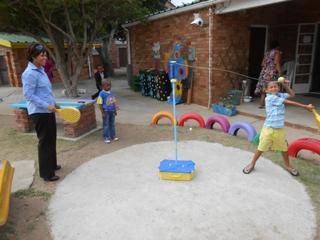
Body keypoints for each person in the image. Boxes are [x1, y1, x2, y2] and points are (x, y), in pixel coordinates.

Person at [243, 80, 314, 176]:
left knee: (284, 149)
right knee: (261, 147)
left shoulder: (280, 95)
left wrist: (285, 85)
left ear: (278, 88)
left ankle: (288, 165)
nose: (273, 88)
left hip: (279, 129)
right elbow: (288, 101)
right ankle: (252, 163)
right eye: (271, 87)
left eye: (275, 86)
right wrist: (305, 106)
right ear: (266, 90)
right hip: (269, 128)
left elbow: (292, 94)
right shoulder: (270, 98)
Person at [22, 43, 61, 182]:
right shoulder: (29, 74)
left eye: (45, 55)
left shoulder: (41, 69)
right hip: (39, 112)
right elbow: (29, 95)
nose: (45, 57)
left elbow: (46, 91)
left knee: (52, 139)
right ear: (33, 56)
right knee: (45, 142)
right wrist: (46, 105)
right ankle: (46, 173)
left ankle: (52, 165)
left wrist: (54, 103)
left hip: (48, 110)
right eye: (42, 55)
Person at [255, 40, 282, 108]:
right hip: (271, 72)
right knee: (273, 88)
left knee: (265, 88)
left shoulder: (267, 53)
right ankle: (273, 104)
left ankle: (261, 104)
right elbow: (276, 63)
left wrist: (266, 69)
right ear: (277, 46)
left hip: (264, 72)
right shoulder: (277, 52)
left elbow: (262, 64)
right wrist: (280, 72)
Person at [96, 79, 119, 143]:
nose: (109, 87)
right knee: (106, 124)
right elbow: (100, 104)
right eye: (107, 86)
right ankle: (106, 137)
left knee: (112, 124)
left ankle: (113, 136)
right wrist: (102, 112)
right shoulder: (101, 94)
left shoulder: (111, 93)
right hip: (106, 111)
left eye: (110, 85)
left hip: (112, 111)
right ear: (103, 86)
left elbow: (113, 102)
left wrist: (115, 110)